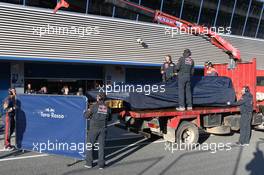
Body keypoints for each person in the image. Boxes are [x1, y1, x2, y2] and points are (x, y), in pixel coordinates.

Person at [85, 92, 111, 169]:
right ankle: (101, 164)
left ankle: (89, 163)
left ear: (99, 98)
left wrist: (87, 111)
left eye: (97, 97)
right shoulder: (108, 108)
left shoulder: (93, 106)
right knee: (101, 147)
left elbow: (86, 116)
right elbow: (109, 119)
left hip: (93, 129)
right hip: (103, 129)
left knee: (89, 145)